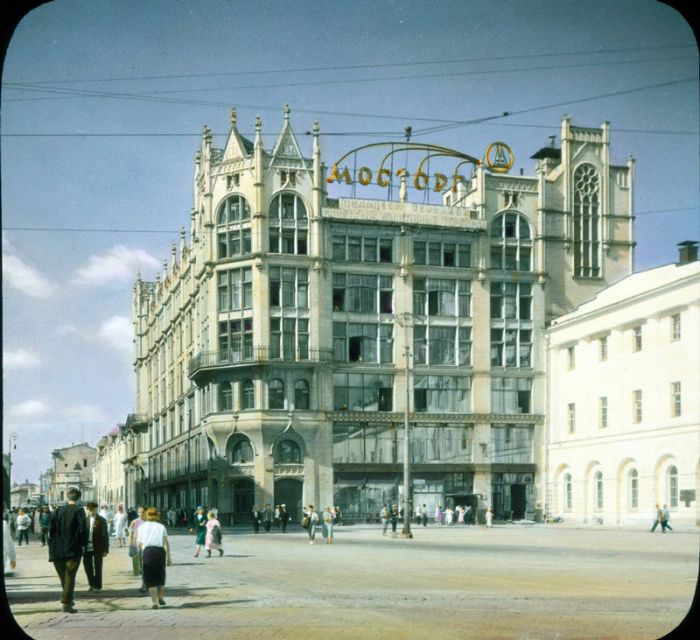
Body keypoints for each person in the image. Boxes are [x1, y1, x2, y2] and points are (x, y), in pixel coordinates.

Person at [48, 487, 87, 614]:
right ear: (79, 498)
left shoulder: (58, 510)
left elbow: (51, 530)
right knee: (70, 576)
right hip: (73, 548)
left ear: (67, 497)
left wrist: (52, 544)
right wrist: (83, 544)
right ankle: (66, 603)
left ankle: (68, 599)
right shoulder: (79, 510)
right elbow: (82, 529)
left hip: (57, 549)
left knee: (64, 577)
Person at [137, 507, 172, 609]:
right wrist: (169, 557)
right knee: (160, 575)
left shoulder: (142, 527)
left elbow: (139, 543)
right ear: (157, 516)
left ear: (147, 515)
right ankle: (160, 597)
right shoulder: (161, 527)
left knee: (150, 577)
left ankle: (154, 602)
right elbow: (166, 543)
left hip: (148, 552)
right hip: (160, 552)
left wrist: (143, 552)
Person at [83, 501, 110, 592]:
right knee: (87, 567)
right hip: (87, 547)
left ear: (96, 509)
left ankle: (98, 586)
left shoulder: (101, 520)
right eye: (89, 510)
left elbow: (105, 535)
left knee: (98, 566)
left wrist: (106, 549)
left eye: (93, 510)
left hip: (98, 546)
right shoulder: (84, 520)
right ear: (87, 510)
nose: (91, 512)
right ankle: (91, 584)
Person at [128, 506, 147, 592]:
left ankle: (145, 585)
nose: (141, 514)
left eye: (142, 512)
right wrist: (130, 546)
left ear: (146, 512)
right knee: (139, 567)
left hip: (148, 547)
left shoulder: (150, 522)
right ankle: (144, 584)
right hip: (137, 546)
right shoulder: (134, 522)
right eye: (139, 512)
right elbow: (130, 535)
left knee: (146, 567)